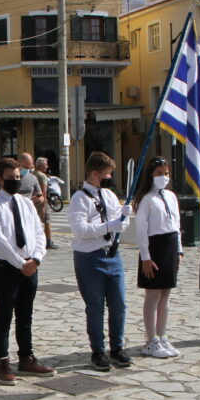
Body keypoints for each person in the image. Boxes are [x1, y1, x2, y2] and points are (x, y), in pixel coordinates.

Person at [0, 157, 55, 385]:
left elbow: (38, 232)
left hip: (30, 265)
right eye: (11, 178)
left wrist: (35, 259)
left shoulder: (25, 204)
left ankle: (26, 357)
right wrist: (20, 263)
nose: (16, 181)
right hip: (7, 266)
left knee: (25, 315)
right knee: (4, 314)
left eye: (18, 177)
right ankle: (2, 361)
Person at [69, 152, 133, 372]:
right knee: (95, 307)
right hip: (90, 258)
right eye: (107, 174)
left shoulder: (109, 195)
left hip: (112, 255)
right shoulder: (80, 198)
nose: (110, 177)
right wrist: (110, 226)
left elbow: (119, 225)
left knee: (119, 305)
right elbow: (81, 231)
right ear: (95, 173)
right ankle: (98, 350)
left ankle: (117, 347)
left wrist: (124, 217)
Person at [133, 157, 183, 359]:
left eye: (166, 173)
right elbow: (141, 230)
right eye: (159, 173)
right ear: (151, 175)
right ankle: (150, 339)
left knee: (165, 296)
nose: (164, 177)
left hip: (170, 246)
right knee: (153, 296)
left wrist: (179, 250)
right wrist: (145, 256)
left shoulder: (171, 196)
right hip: (155, 247)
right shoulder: (146, 199)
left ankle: (162, 336)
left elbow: (177, 225)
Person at [32, 157, 56, 249]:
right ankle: (48, 242)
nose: (47, 166)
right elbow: (43, 191)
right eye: (46, 164)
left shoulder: (32, 174)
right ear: (41, 165)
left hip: (33, 201)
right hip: (40, 201)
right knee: (47, 222)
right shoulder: (42, 176)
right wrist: (43, 206)